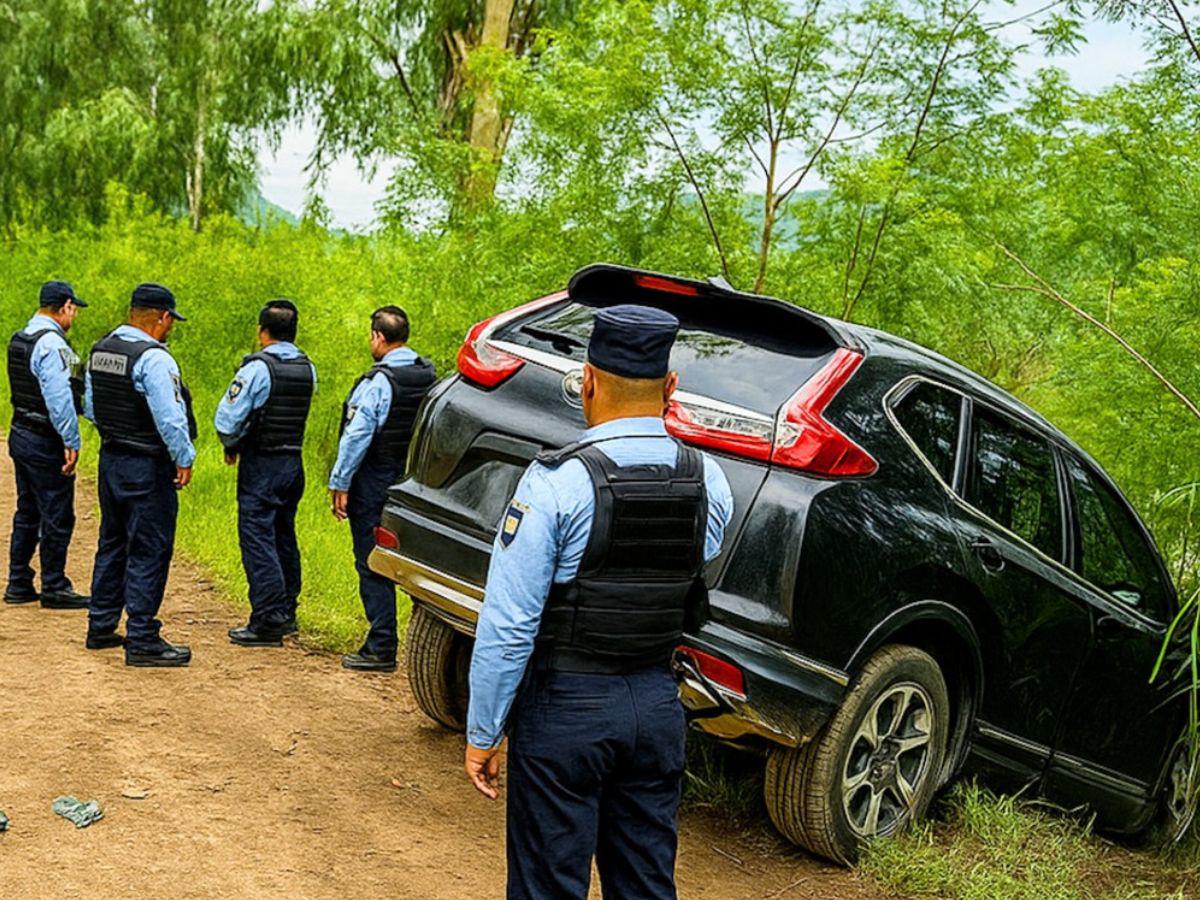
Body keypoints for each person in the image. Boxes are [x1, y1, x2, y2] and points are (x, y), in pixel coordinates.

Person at [464, 305, 734, 900]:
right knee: (645, 885)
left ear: (587, 381)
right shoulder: (708, 481)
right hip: (657, 707)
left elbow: (510, 625)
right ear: (670, 388)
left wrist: (484, 731)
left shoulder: (555, 483)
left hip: (567, 709)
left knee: (547, 886)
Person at [84, 283, 197, 666]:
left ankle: (100, 625)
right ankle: (143, 638)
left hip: (111, 458)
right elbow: (170, 418)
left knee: (112, 541)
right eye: (170, 321)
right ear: (162, 318)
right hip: (147, 465)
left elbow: (90, 405)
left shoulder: (101, 349)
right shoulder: (155, 358)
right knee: (149, 548)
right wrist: (183, 458)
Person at [329, 306, 436, 671]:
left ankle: (381, 645)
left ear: (377, 336)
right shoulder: (428, 376)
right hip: (416, 480)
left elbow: (357, 435)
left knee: (371, 561)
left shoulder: (378, 382)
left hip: (375, 481)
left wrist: (340, 481)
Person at [215, 300, 315, 646]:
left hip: (263, 465)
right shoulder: (307, 367)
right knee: (283, 536)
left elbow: (226, 419)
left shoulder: (257, 369)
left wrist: (233, 443)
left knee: (257, 538)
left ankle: (267, 620)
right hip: (293, 463)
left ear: (262, 331)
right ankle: (286, 612)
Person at [5, 281, 90, 610]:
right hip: (44, 438)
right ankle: (54, 585)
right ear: (66, 306)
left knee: (27, 510)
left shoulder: (21, 338)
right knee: (57, 513)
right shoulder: (53, 345)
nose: (75, 317)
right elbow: (60, 399)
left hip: (20, 431)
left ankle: (18, 581)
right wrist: (71, 440)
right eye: (74, 310)